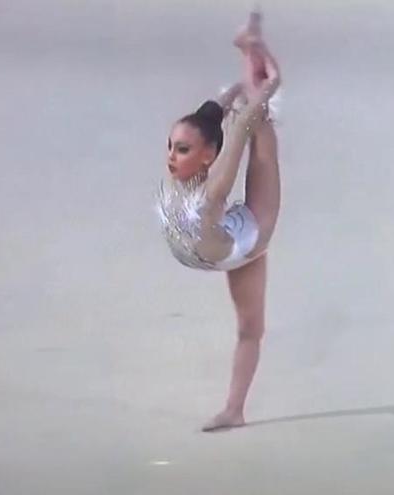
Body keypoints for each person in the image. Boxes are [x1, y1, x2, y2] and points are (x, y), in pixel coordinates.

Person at [154, 8, 282, 431]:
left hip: (249, 238)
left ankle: (234, 410)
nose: (172, 156)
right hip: (219, 247)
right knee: (249, 109)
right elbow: (214, 116)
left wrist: (269, 88)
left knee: (259, 124)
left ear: (207, 156)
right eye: (171, 146)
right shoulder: (185, 176)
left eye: (184, 150)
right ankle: (250, 48)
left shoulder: (210, 195)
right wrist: (227, 99)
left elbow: (240, 128)